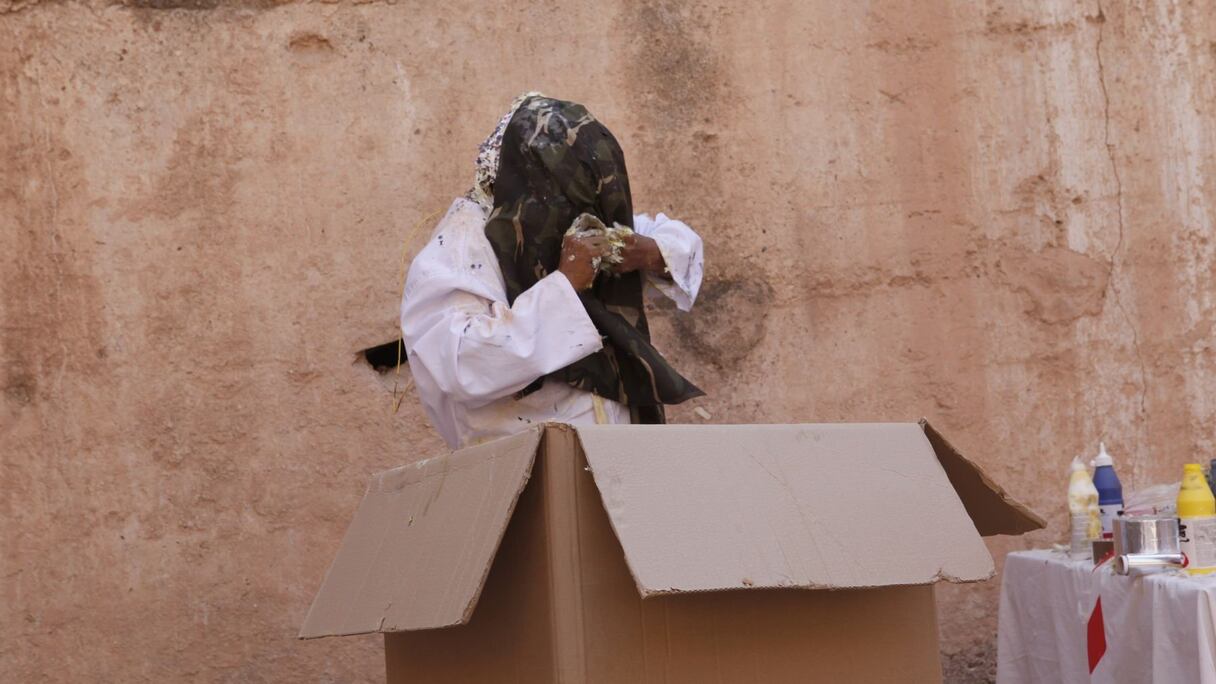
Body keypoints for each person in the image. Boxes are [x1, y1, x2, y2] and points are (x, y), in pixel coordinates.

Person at [400, 94, 705, 449]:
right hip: (524, 464)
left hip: (619, 457)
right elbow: (460, 366)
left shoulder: (568, 218)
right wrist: (564, 287)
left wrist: (651, 253)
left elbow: (675, 241)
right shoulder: (460, 249)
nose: (581, 210)